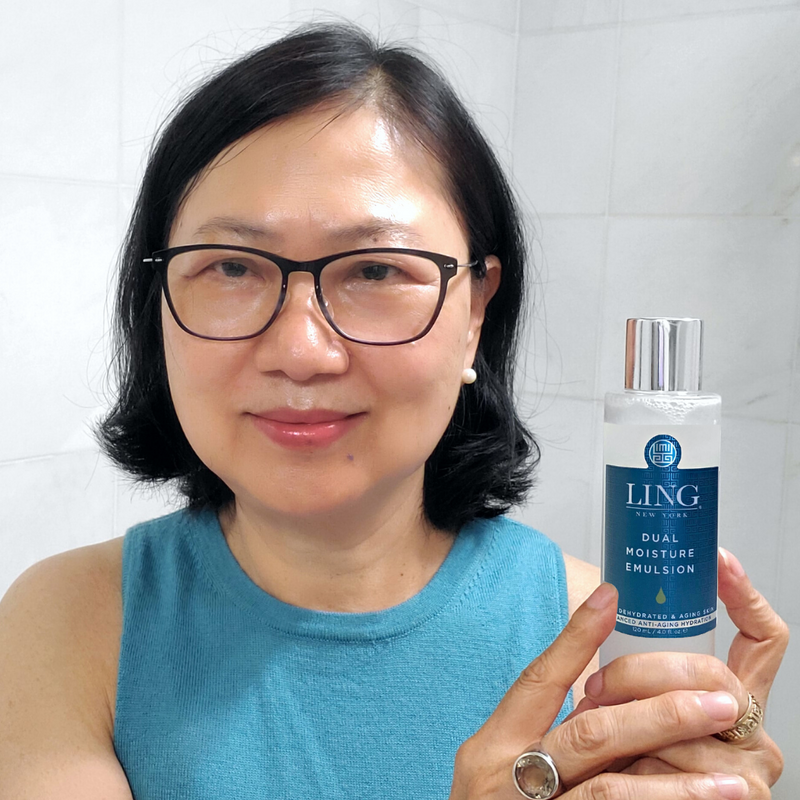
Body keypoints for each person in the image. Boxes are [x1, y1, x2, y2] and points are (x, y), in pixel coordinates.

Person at [0, 22, 788, 800]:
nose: (301, 350)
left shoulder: (603, 642)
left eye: (375, 270)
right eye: (232, 266)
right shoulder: (67, 624)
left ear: (475, 311)